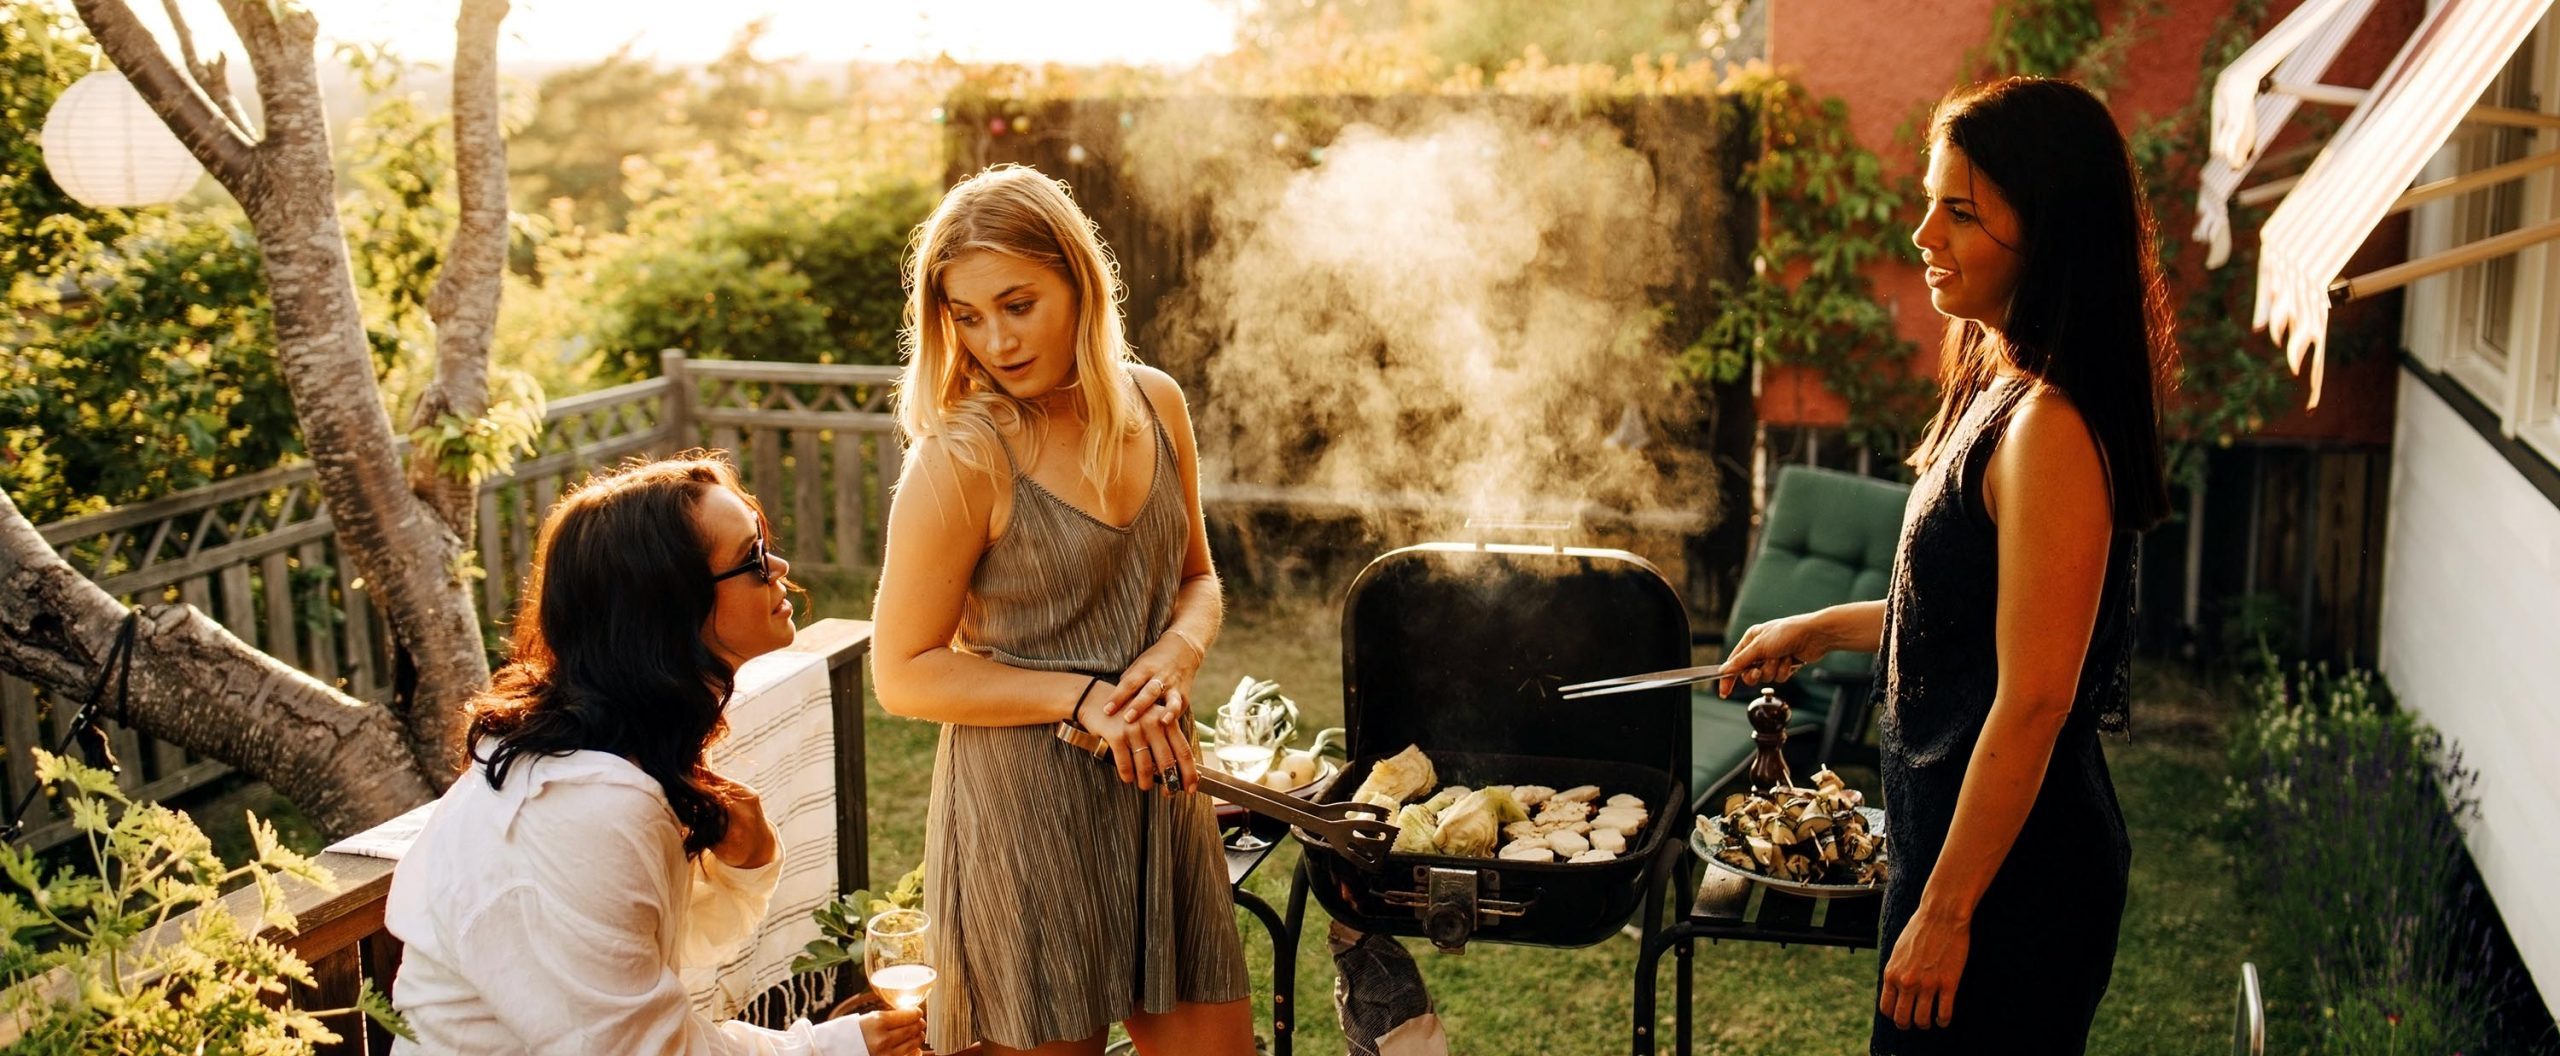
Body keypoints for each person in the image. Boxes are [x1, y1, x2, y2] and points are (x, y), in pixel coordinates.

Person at [1717, 77, 2172, 1054]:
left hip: (2013, 881)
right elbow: (1973, 623)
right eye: (1929, 199)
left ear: (2045, 234)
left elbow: (2036, 697)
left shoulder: (2048, 427)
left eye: (1958, 211)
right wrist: (1824, 628)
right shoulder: (1999, 383)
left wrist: (1948, 911)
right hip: (1967, 849)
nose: (1922, 232)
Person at [870, 164, 1252, 1056]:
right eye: (967, 316)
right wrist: (1083, 696)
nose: (995, 341)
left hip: (1161, 793)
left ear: (1078, 282)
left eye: (1017, 303)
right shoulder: (960, 460)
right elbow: (902, 673)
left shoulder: (1157, 403)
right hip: (1022, 816)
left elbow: (1199, 578)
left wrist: (1176, 656)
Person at [384, 455, 925, 1056]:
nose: (779, 566)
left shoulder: (613, 759)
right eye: (751, 558)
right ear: (667, 610)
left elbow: (638, 950)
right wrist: (830, 1049)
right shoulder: (578, 808)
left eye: (764, 543)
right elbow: (650, 1048)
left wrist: (746, 866)